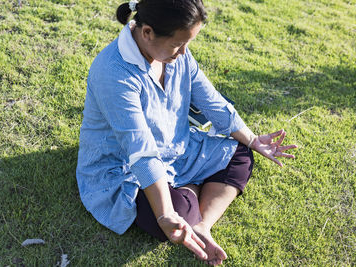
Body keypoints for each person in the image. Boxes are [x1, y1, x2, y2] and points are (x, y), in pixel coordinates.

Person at [76, 0, 297, 265]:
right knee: (174, 217)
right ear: (147, 32)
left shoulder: (176, 54)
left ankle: (202, 225)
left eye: (187, 43)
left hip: (176, 147)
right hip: (123, 168)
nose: (183, 52)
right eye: (177, 44)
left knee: (241, 154)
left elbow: (211, 100)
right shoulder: (114, 73)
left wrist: (251, 139)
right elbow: (141, 152)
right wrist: (166, 213)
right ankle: (189, 196)